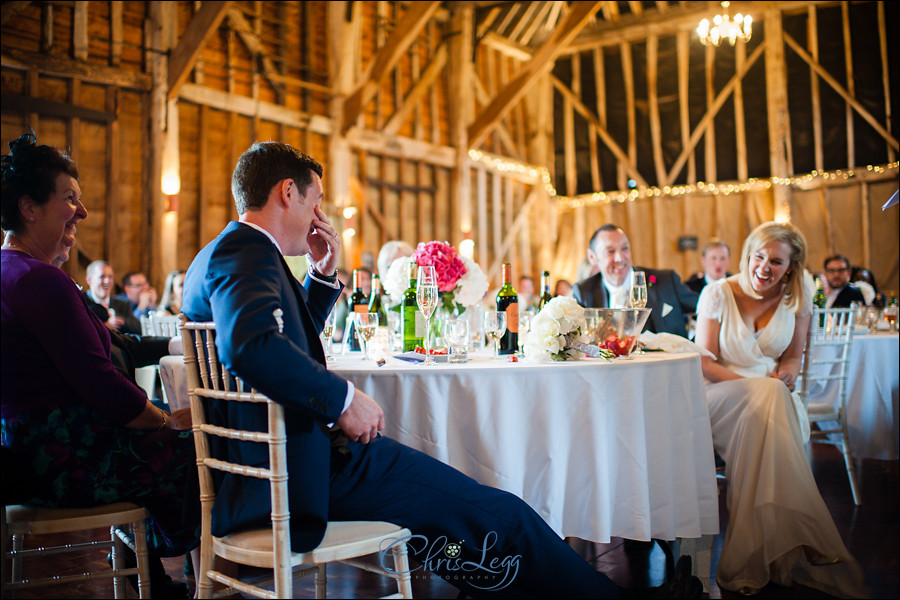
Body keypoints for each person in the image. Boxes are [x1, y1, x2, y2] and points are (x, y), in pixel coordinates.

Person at [181, 141, 700, 598]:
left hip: (268, 472)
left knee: (463, 512)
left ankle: (499, 577)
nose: (319, 217)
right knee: (505, 514)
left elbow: (291, 344)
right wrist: (343, 400)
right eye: (316, 202)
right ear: (287, 192)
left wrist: (321, 277)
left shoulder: (219, 253)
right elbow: (251, 348)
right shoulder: (248, 254)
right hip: (303, 477)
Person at [1, 132, 198, 597]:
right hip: (63, 464)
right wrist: (167, 420)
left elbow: (112, 345)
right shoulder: (38, 281)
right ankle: (195, 576)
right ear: (29, 208)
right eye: (70, 199)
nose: (82, 213)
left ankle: (144, 567)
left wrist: (175, 346)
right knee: (202, 446)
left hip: (27, 454)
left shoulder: (16, 275)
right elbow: (102, 384)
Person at [694, 221, 866, 597]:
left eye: (775, 261)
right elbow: (703, 362)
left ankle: (754, 555)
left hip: (771, 398)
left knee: (772, 402)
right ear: (747, 255)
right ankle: (807, 534)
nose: (763, 268)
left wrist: (786, 375)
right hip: (720, 394)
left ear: (791, 266)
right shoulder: (717, 293)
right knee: (770, 396)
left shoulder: (800, 292)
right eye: (758, 257)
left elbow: (792, 357)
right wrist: (761, 384)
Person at [573, 224, 699, 338]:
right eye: (610, 251)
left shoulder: (666, 281)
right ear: (592, 257)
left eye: (625, 248)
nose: (620, 258)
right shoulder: (584, 291)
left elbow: (705, 309)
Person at [84, 260, 142, 334]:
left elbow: (139, 328)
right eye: (102, 276)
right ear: (89, 280)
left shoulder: (122, 305)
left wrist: (121, 320)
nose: (107, 281)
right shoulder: (82, 302)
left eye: (110, 277)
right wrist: (105, 327)